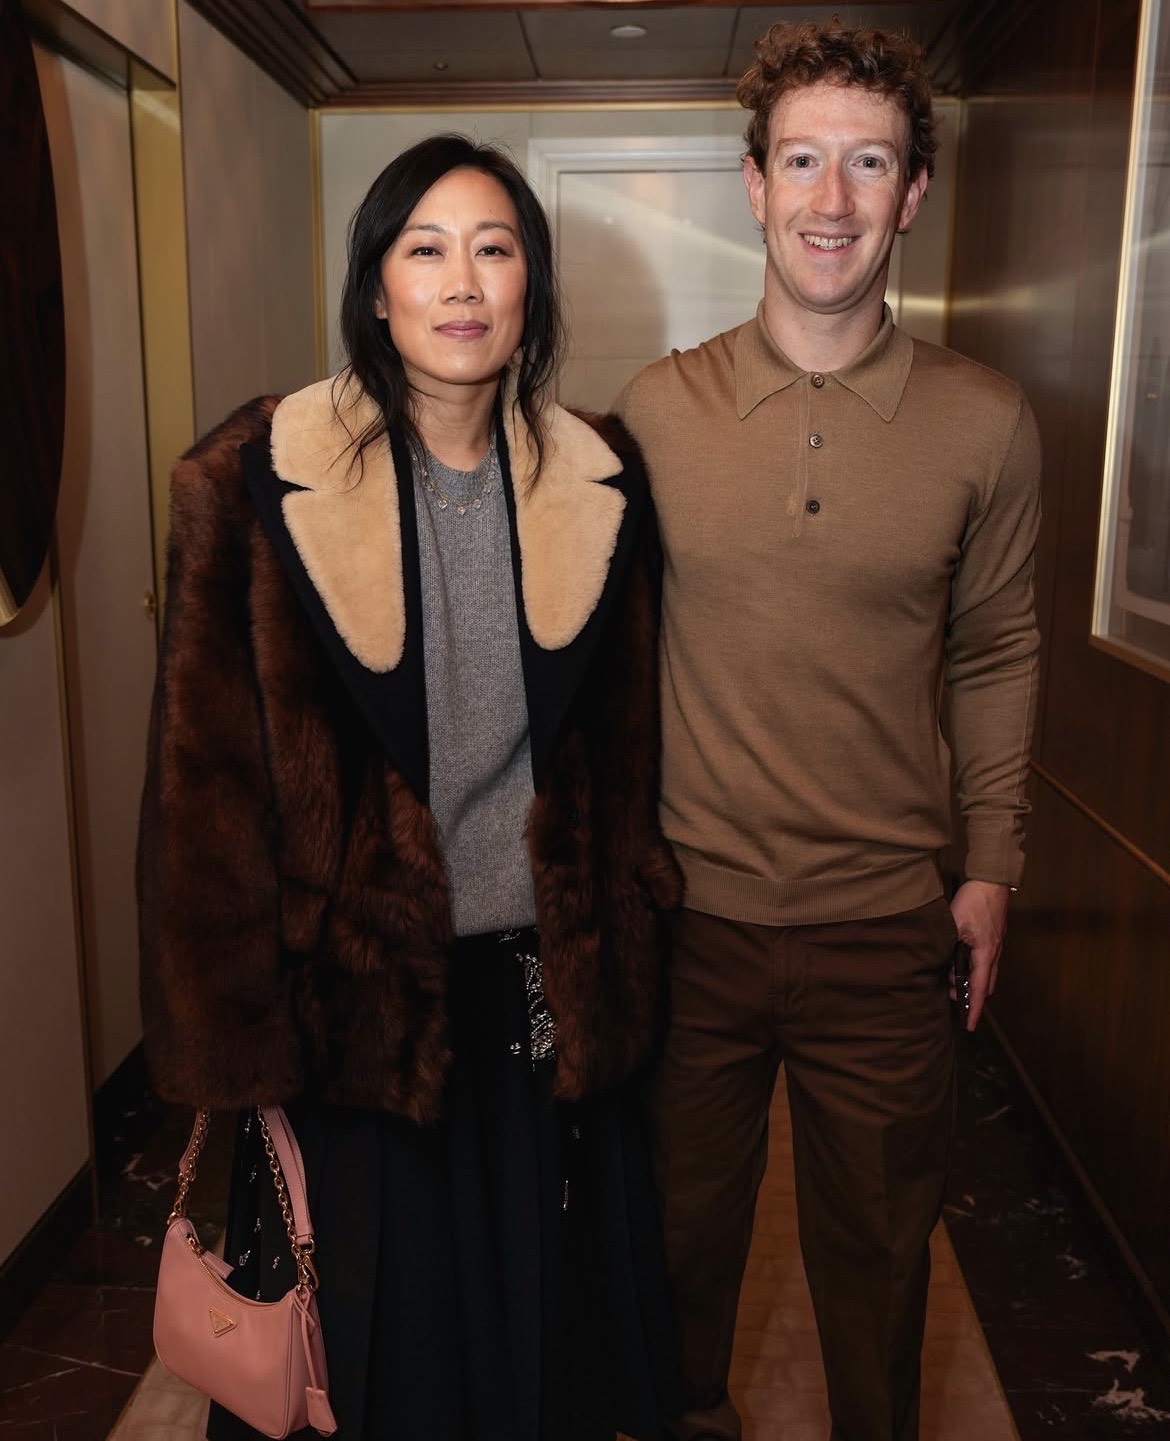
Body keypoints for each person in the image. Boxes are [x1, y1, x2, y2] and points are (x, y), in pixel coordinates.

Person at [138, 133, 681, 1441]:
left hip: (534, 996)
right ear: (376, 287)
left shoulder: (600, 485)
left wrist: (622, 959)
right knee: (376, 1355)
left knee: (531, 1342)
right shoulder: (253, 483)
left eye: (495, 248)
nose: (463, 280)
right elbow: (203, 793)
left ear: (531, 287)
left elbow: (623, 763)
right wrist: (236, 1044)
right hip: (344, 1014)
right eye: (424, 248)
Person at [616, 20, 1041, 1441]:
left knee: (878, 1268)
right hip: (691, 921)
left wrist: (991, 864)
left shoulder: (986, 424)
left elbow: (997, 648)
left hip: (883, 928)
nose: (831, 199)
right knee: (673, 1253)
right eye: (802, 160)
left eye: (869, 163)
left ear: (911, 192)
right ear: (753, 183)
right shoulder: (653, 413)